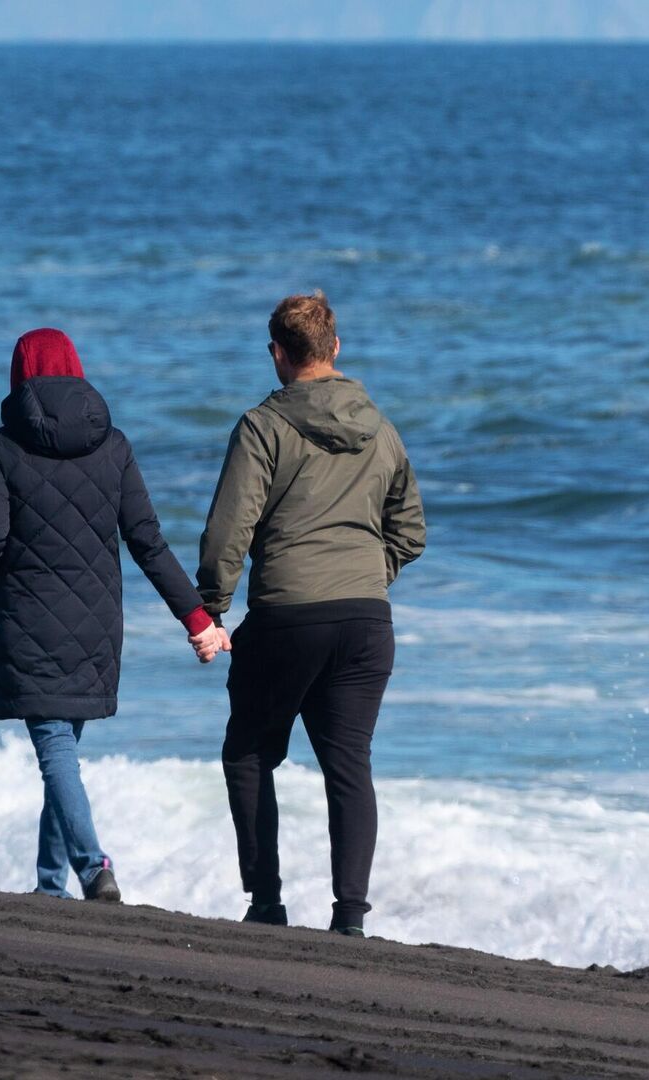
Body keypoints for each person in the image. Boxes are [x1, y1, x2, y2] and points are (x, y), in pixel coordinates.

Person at [190, 291, 425, 937]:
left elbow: (226, 533)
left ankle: (266, 903)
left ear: (277, 354)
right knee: (348, 763)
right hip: (365, 621)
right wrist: (370, 577)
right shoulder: (381, 426)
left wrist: (211, 608)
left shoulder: (262, 425)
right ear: (335, 349)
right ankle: (349, 917)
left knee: (248, 754)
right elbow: (410, 528)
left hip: (287, 617)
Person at [0, 328, 217, 903]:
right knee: (63, 752)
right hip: (98, 622)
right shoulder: (115, 446)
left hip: (28, 618)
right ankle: (49, 885)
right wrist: (198, 619)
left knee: (55, 749)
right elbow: (147, 542)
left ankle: (93, 868)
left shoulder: (0, 448)